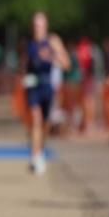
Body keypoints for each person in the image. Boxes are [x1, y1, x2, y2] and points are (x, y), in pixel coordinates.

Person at [22, 12, 70, 175]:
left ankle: (40, 150)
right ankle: (35, 157)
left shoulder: (52, 41)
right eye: (35, 25)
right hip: (32, 87)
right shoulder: (29, 43)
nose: (37, 28)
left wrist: (53, 55)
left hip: (47, 86)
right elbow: (24, 64)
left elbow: (66, 64)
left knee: (45, 124)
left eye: (40, 25)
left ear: (46, 26)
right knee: (35, 120)